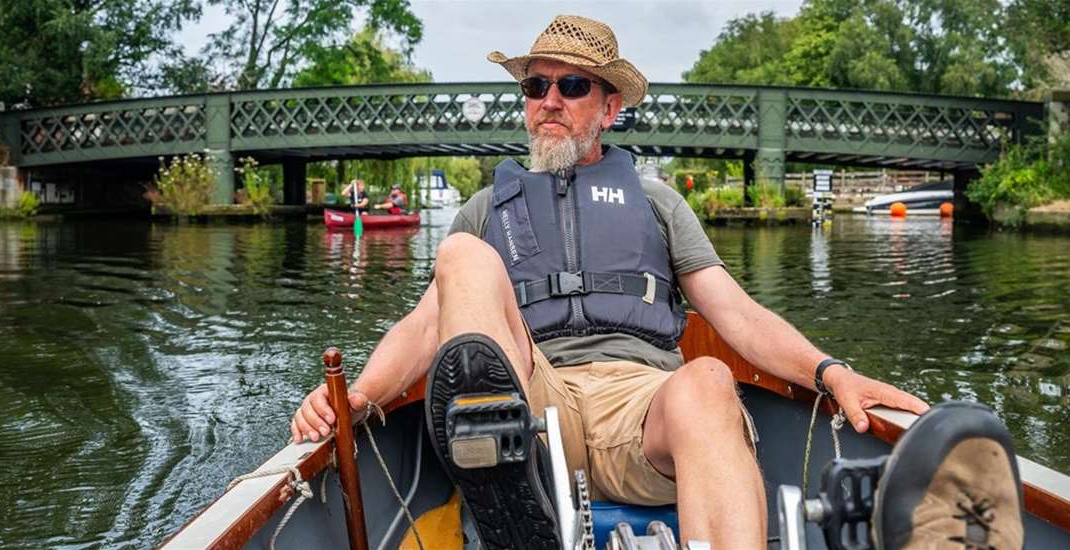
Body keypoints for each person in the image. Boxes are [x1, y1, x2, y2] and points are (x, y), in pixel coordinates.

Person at [291, 15, 1012, 550]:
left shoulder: (657, 200)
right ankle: (505, 480)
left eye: (571, 86)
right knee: (460, 262)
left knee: (706, 380)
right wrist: (355, 400)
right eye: (536, 85)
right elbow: (424, 327)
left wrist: (832, 372)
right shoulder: (485, 208)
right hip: (534, 401)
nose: (549, 99)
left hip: (644, 410)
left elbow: (735, 313)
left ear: (609, 106)